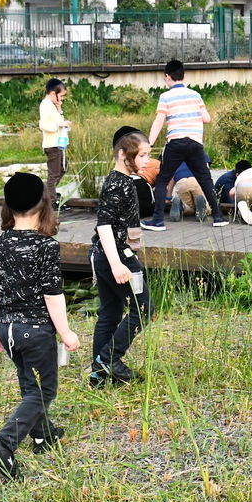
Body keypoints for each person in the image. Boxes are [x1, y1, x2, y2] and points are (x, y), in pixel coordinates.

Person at [0, 171, 78, 480]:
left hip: (8, 328)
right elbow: (52, 295)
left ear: (8, 206)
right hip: (35, 331)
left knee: (29, 383)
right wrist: (65, 332)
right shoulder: (46, 246)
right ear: (44, 204)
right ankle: (3, 444)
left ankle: (42, 434)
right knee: (43, 391)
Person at [91, 127, 152, 387]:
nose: (147, 160)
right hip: (115, 256)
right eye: (142, 155)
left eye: (148, 154)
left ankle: (99, 375)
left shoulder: (124, 180)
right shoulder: (118, 183)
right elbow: (103, 225)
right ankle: (108, 359)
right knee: (144, 308)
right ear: (123, 155)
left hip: (104, 254)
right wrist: (117, 263)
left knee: (111, 312)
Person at [143, 58, 228, 231]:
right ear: (184, 76)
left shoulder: (165, 97)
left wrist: (149, 144)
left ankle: (158, 221)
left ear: (168, 77)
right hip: (195, 143)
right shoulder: (195, 95)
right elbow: (206, 118)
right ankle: (218, 217)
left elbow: (159, 121)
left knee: (162, 180)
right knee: (205, 180)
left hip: (175, 142)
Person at [38, 79, 72, 211]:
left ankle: (48, 192)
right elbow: (43, 125)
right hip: (52, 145)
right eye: (61, 95)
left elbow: (58, 119)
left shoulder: (52, 105)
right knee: (54, 173)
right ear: (53, 93)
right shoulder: (45, 105)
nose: (62, 98)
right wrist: (59, 124)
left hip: (59, 144)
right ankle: (51, 200)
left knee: (63, 168)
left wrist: (59, 108)